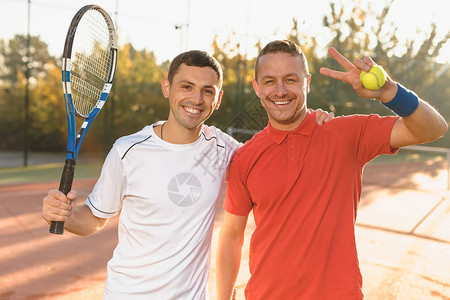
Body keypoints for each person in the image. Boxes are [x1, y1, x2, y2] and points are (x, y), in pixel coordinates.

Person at [42, 49, 333, 299]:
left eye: (207, 90)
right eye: (186, 87)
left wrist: (311, 121)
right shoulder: (128, 151)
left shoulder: (224, 149)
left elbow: (273, 156)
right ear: (167, 87)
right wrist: (65, 215)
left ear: (217, 99)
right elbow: (93, 219)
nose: (196, 98)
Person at [216, 40, 447, 300]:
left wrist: (389, 92)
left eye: (291, 80)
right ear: (257, 87)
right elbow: (232, 236)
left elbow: (434, 128)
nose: (280, 91)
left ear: (307, 82)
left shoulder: (347, 133)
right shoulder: (246, 157)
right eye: (269, 81)